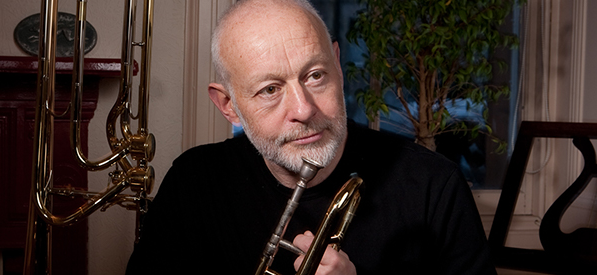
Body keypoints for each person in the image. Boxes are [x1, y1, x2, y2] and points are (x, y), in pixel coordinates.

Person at [125, 0, 495, 274]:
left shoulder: (433, 184)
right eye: (270, 89)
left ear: (338, 65)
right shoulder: (194, 181)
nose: (303, 109)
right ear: (228, 105)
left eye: (315, 75)